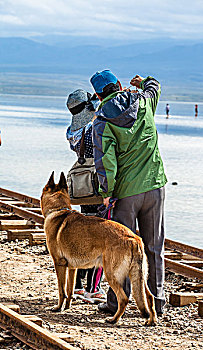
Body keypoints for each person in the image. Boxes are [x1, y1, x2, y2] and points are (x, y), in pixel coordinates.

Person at [90, 69, 167, 316]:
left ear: (97, 94)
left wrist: (107, 192)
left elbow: (106, 162)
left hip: (125, 193)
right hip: (155, 187)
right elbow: (154, 85)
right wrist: (142, 81)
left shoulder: (101, 121)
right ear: (120, 84)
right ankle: (157, 302)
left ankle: (115, 302)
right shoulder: (143, 101)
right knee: (154, 246)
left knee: (118, 246)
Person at [66, 89, 106, 304]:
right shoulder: (94, 128)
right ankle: (93, 288)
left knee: (83, 237)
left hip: (83, 189)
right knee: (99, 239)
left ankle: (79, 286)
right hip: (97, 186)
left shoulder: (71, 132)